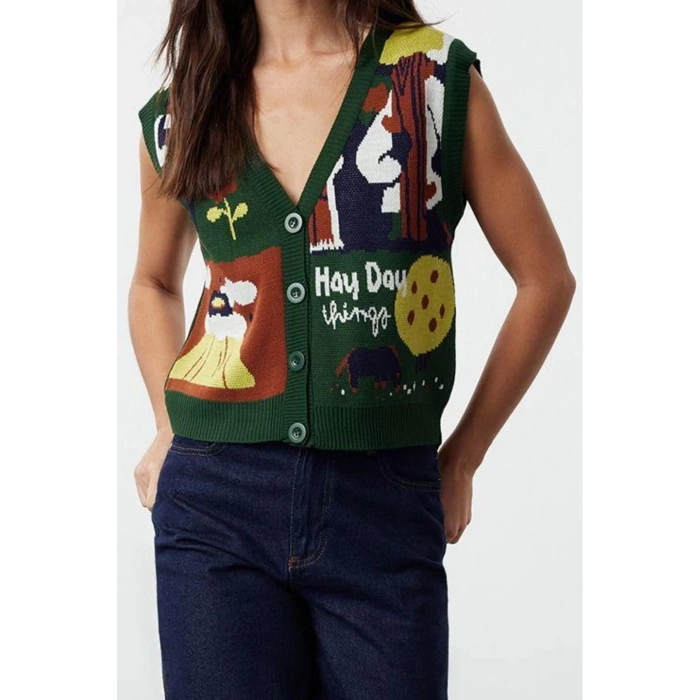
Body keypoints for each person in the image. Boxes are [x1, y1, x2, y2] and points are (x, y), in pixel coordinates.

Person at [129, 0, 576, 697]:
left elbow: (545, 280)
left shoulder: (429, 81)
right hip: (215, 505)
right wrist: (167, 425)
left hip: (384, 506)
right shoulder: (185, 109)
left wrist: (464, 456)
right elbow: (154, 282)